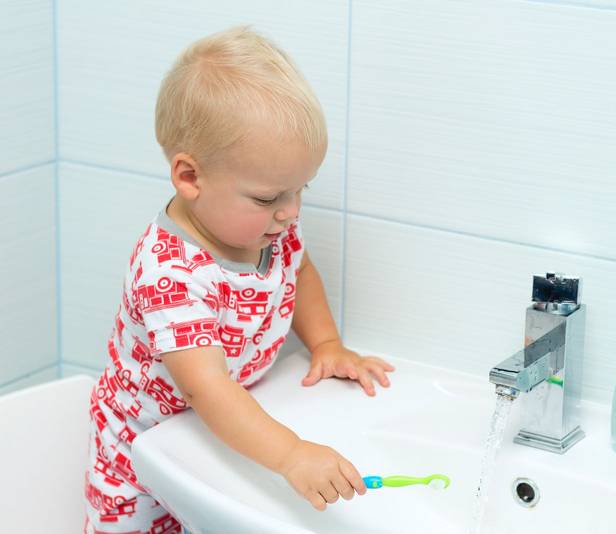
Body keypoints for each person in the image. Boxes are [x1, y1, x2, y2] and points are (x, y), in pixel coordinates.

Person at [83, 25, 395, 533]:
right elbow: (207, 389)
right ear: (190, 177)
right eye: (269, 197)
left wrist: (326, 343)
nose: (290, 212)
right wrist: (291, 454)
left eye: (300, 190)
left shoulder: (267, 229)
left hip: (217, 435)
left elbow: (299, 271)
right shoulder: (170, 274)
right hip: (141, 455)